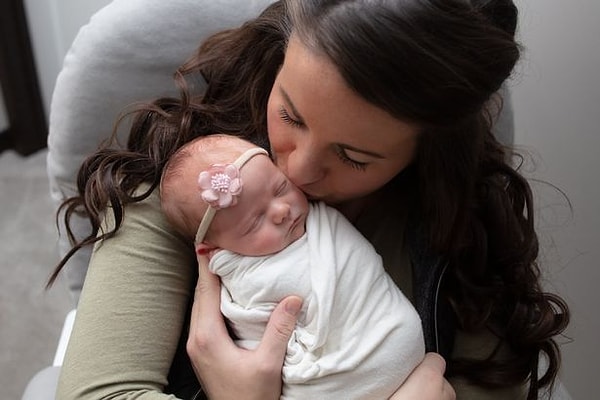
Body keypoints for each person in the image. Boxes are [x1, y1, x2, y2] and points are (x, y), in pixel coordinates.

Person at [49, 0, 569, 399]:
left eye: (355, 156)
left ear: (430, 154)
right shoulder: (193, 188)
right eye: (291, 117)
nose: (295, 170)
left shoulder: (460, 228)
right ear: (278, 56)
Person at [159, 134, 426, 399]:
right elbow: (254, 339)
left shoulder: (322, 220)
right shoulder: (247, 278)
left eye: (280, 188)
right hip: (334, 382)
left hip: (394, 335)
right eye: (255, 222)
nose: (281, 210)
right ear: (213, 250)